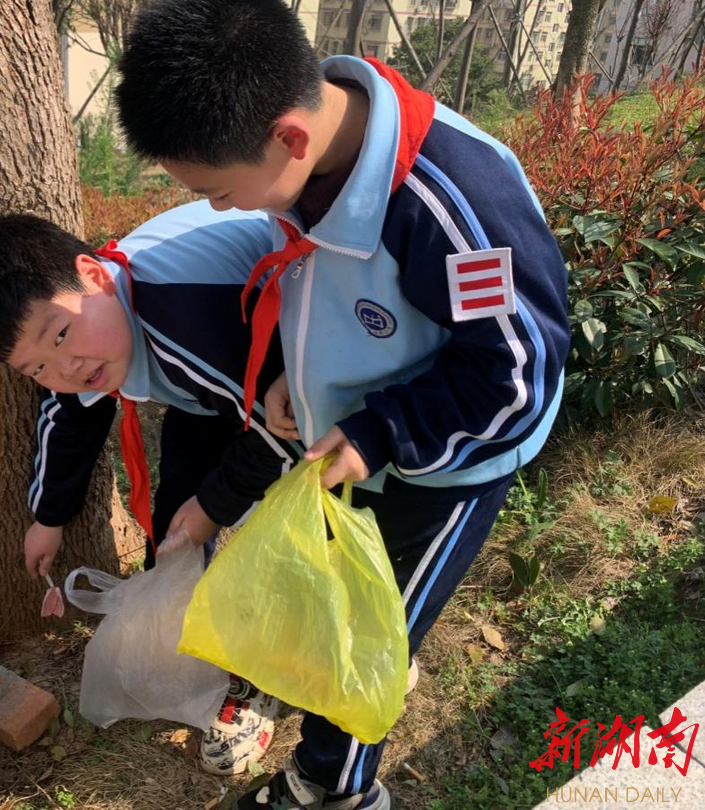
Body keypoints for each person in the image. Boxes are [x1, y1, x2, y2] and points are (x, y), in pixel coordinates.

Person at [115, 2, 571, 807]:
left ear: (289, 136)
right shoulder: (311, 159)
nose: (222, 209)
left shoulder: (455, 205)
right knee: (338, 616)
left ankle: (334, 790)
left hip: (444, 468)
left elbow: (513, 380)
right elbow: (324, 287)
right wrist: (302, 368)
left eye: (219, 192)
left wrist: (381, 428)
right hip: (358, 441)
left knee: (372, 634)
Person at [0, 201, 301, 776]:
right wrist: (49, 515)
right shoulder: (95, 328)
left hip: (287, 365)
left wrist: (215, 505)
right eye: (36, 367)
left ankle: (268, 678)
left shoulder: (187, 312)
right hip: (218, 384)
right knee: (176, 528)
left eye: (60, 335)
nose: (65, 368)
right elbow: (69, 411)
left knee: (282, 525)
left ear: (93, 274)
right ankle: (199, 644)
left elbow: (285, 422)